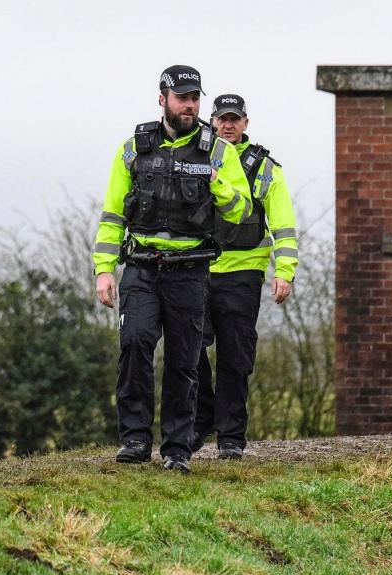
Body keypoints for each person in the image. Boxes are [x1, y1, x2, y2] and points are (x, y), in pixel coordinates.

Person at [92, 66, 252, 473]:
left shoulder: (219, 151)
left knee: (184, 361)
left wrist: (219, 185)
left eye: (195, 97)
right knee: (135, 345)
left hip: (191, 271)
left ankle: (177, 449)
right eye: (182, 97)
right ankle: (134, 439)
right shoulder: (132, 149)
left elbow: (242, 210)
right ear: (162, 98)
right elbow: (113, 214)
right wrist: (104, 269)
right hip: (142, 267)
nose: (190, 104)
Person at [190, 93, 298, 459]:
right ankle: (201, 417)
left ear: (246, 123)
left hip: (243, 272)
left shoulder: (265, 167)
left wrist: (284, 272)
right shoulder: (195, 155)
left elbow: (283, 225)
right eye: (222, 118)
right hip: (196, 268)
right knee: (188, 348)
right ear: (212, 120)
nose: (228, 125)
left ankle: (231, 437)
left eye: (235, 119)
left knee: (235, 357)